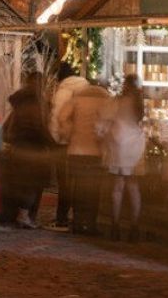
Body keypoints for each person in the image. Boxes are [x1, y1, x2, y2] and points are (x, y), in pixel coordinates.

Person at [58, 78, 110, 236]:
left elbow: (62, 117)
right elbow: (109, 124)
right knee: (93, 190)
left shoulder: (77, 99)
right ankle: (91, 223)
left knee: (78, 187)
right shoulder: (106, 101)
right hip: (95, 152)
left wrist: (69, 133)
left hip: (76, 149)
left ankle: (78, 221)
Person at [100, 74, 146, 241]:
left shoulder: (117, 101)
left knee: (117, 187)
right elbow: (140, 120)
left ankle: (115, 226)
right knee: (133, 187)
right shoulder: (138, 102)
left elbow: (105, 120)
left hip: (118, 145)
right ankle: (134, 227)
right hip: (135, 146)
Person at [3, 71, 49, 228]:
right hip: (32, 147)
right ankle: (24, 215)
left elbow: (10, 124)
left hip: (17, 145)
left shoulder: (19, 100)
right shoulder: (35, 101)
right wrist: (50, 143)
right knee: (31, 182)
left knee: (20, 182)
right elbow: (38, 126)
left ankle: (17, 214)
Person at [46, 62, 88, 231]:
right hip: (84, 144)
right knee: (79, 183)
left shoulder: (63, 91)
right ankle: (78, 218)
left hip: (64, 143)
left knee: (65, 183)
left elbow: (57, 117)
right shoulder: (86, 88)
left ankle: (61, 219)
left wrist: (54, 139)